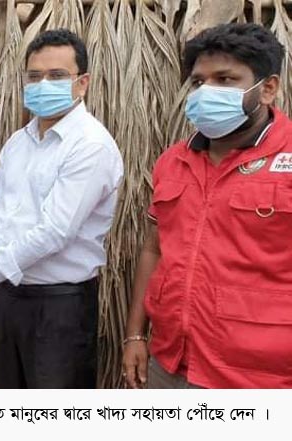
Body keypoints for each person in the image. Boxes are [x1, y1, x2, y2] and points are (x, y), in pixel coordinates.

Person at [0, 29, 124, 389]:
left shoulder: (91, 146)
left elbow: (54, 231)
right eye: (34, 76)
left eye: (57, 76)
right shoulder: (19, 142)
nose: (43, 84)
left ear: (82, 83)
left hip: (60, 306)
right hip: (9, 297)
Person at [122, 23, 292, 389]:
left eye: (225, 79)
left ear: (267, 88)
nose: (207, 92)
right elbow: (154, 247)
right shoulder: (173, 161)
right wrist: (135, 334)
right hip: (169, 361)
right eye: (199, 82)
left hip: (259, 375)